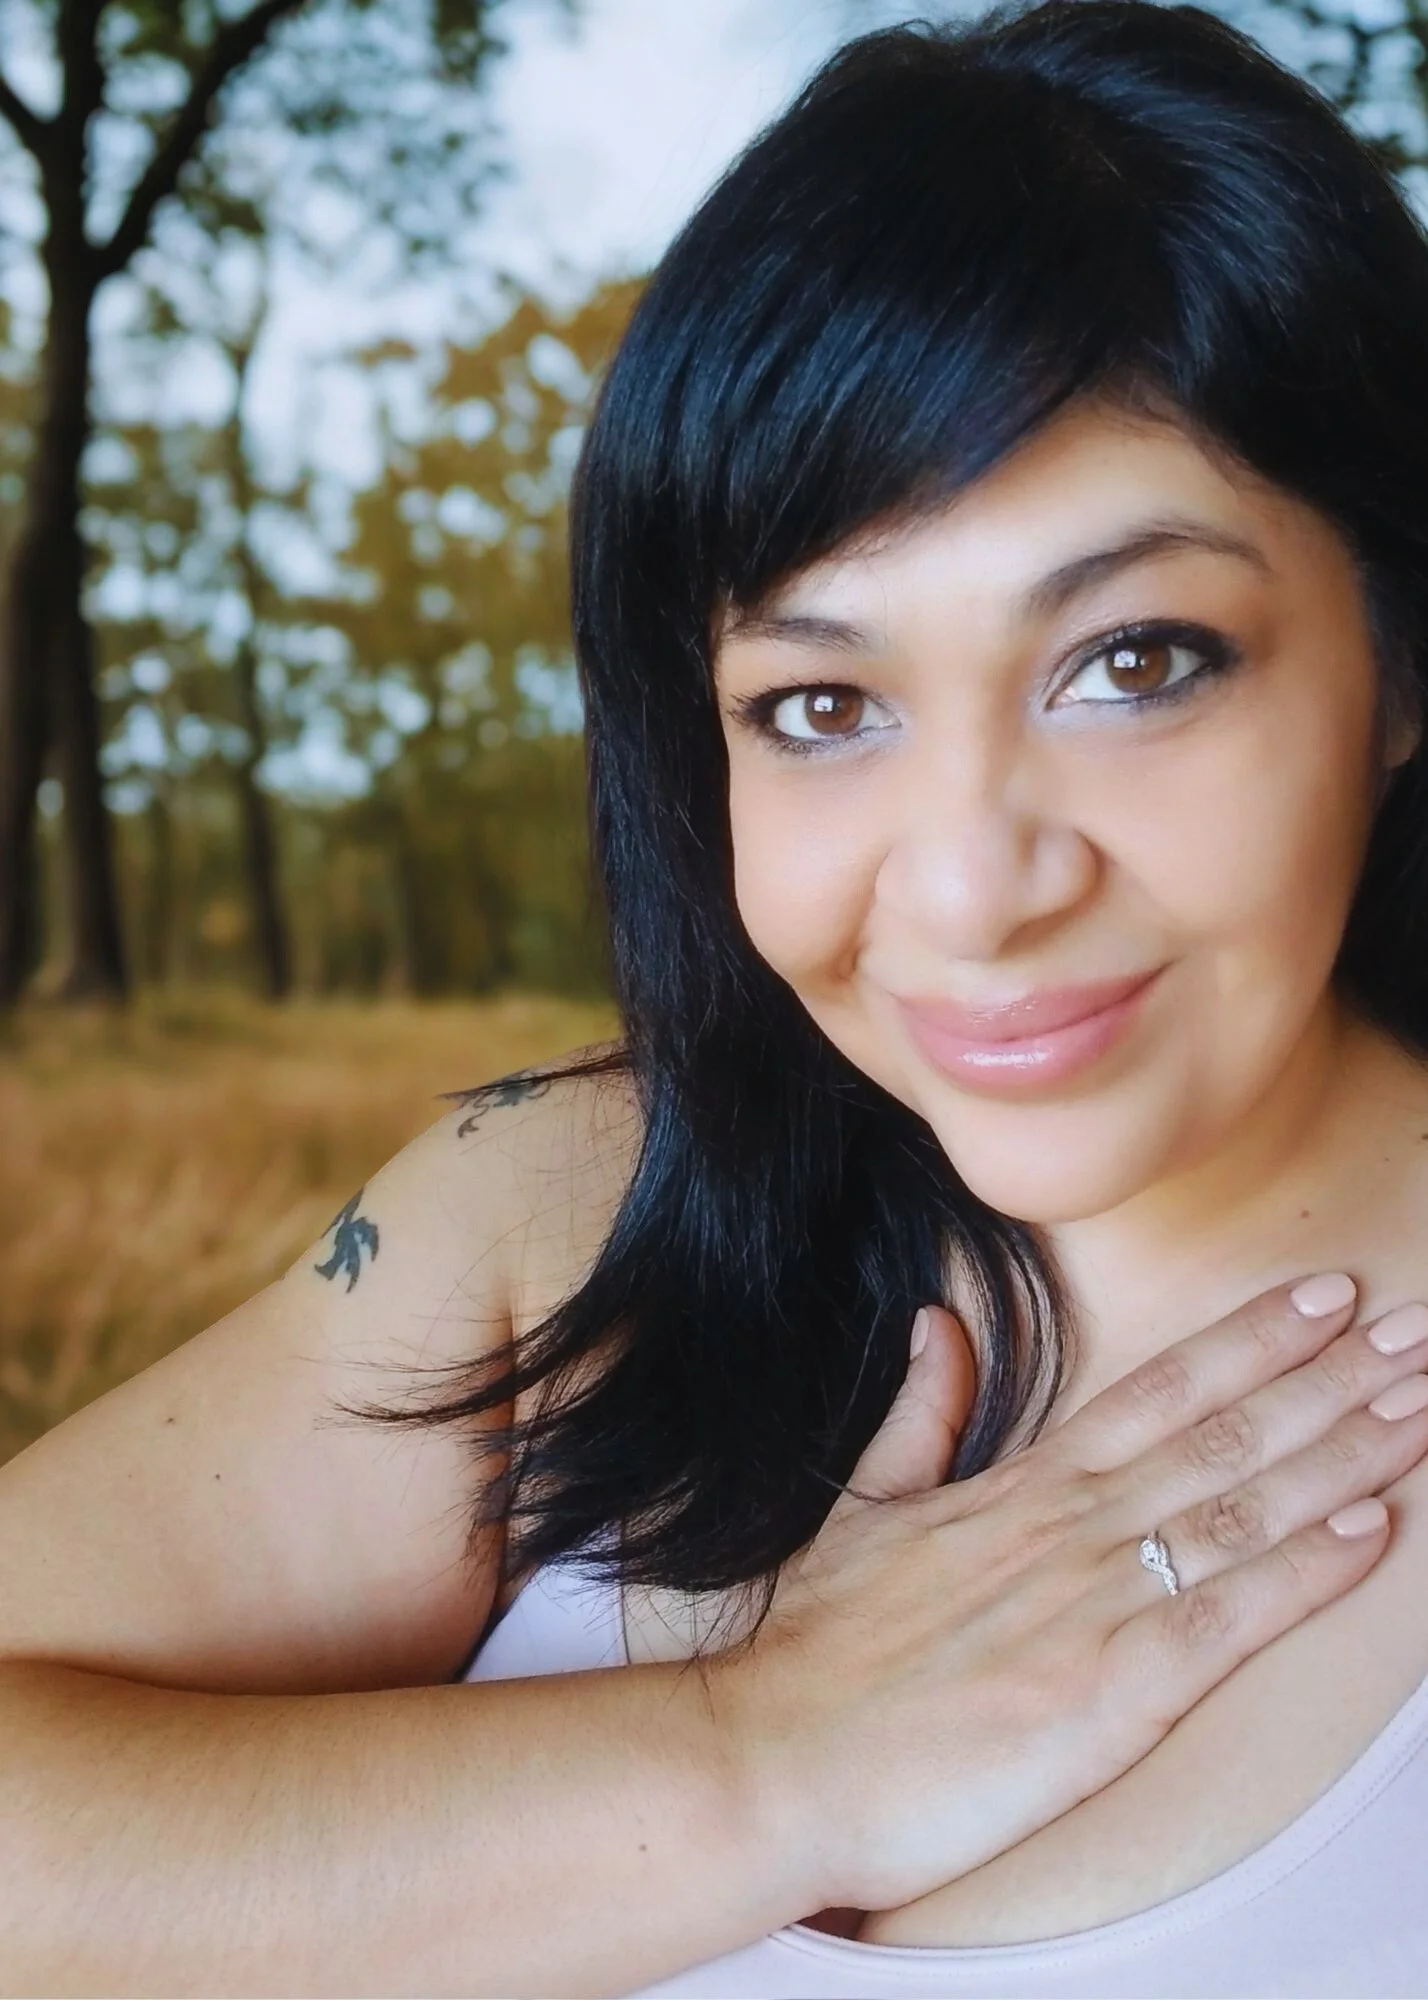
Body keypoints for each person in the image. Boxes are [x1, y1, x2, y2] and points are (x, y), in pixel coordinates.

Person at [5, 0, 1428, 1991]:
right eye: (823, 703)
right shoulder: (562, 1210)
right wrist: (768, 1757)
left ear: (1399, 660)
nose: (967, 886)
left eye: (1134, 660)